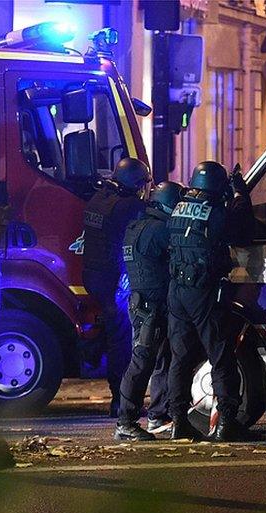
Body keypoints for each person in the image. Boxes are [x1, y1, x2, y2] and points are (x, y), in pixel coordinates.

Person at [166, 161, 254, 441]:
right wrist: (240, 194)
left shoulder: (179, 208)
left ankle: (178, 421)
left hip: (177, 291)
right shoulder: (214, 211)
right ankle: (227, 422)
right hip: (204, 291)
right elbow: (242, 229)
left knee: (179, 358)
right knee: (221, 355)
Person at [113, 181, 185, 441]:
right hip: (150, 307)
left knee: (161, 359)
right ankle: (126, 422)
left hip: (147, 303)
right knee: (141, 363)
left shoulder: (138, 226)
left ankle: (157, 415)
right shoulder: (158, 229)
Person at [83, 157, 151, 417]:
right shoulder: (129, 206)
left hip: (94, 277)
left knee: (112, 334)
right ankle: (120, 400)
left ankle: (90, 352)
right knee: (122, 340)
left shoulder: (99, 199)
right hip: (116, 282)